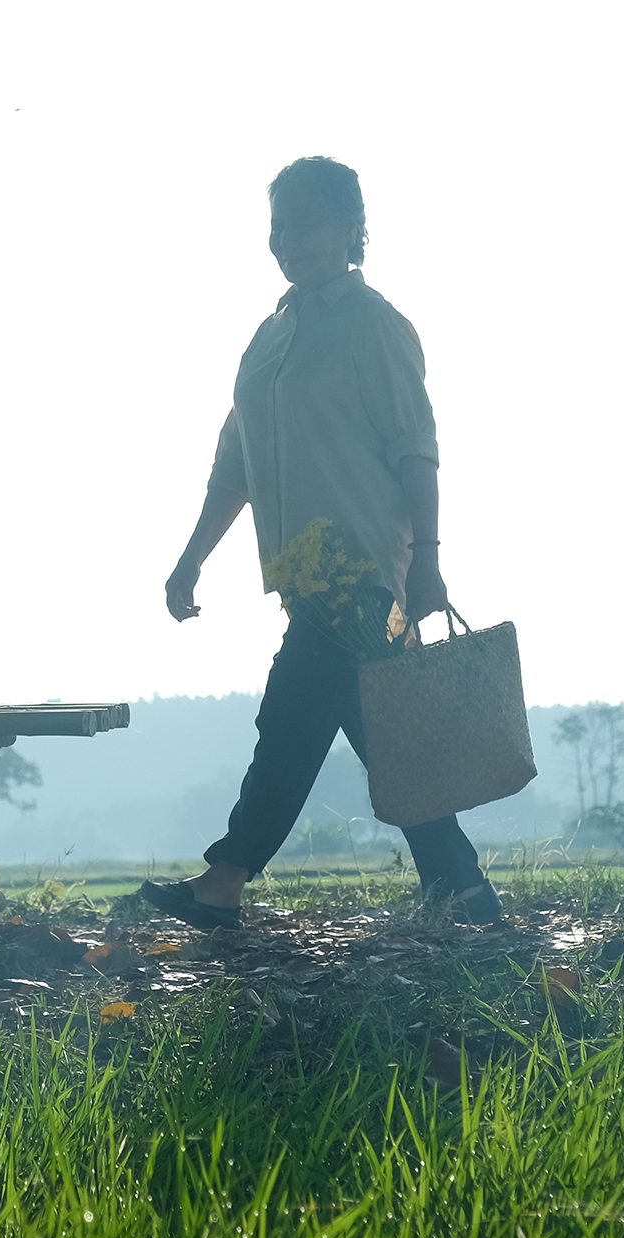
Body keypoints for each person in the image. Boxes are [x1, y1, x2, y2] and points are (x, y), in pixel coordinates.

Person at [146, 156, 502, 929]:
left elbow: (417, 449)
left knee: (291, 725)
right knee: (375, 741)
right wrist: (190, 558)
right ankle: (467, 893)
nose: (285, 240)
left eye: (303, 224)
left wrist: (430, 559)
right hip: (304, 576)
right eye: (277, 226)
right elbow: (233, 467)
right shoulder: (269, 338)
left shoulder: (373, 325)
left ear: (350, 228)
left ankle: (224, 881)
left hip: (365, 570)